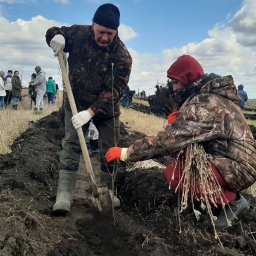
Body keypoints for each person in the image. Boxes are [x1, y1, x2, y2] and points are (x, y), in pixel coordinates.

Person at [105, 55, 256, 229]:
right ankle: (214, 201)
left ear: (188, 79)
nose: (174, 88)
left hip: (239, 167)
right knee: (181, 158)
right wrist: (179, 122)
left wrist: (127, 153)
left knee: (176, 174)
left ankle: (234, 202)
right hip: (231, 161)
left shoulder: (206, 103)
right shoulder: (208, 97)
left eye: (176, 82)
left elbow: (167, 141)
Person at [46, 3, 132, 213]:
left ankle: (107, 191)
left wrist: (90, 113)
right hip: (76, 102)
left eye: (109, 33)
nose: (104, 37)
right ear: (93, 25)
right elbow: (53, 31)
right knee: (71, 144)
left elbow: (116, 90)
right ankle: (64, 193)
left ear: (116, 31)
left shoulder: (122, 57)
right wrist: (55, 38)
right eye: (101, 31)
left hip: (106, 109)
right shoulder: (79, 34)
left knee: (110, 149)